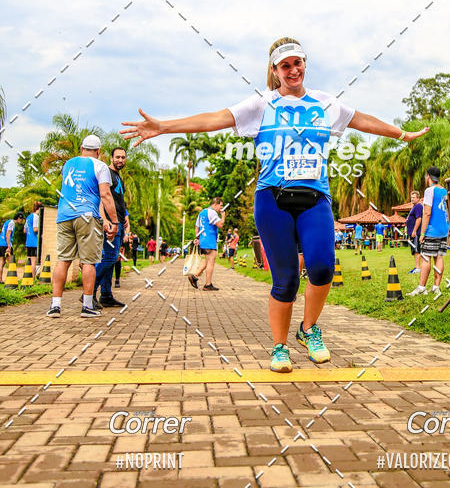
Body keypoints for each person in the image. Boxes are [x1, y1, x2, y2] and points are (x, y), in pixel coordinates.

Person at [121, 37, 428, 372]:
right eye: (285, 66)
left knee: (323, 267)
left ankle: (309, 329)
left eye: (297, 63)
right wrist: (163, 126)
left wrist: (401, 134)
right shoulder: (261, 104)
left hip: (316, 199)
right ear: (275, 70)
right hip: (272, 199)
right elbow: (213, 119)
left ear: (304, 64)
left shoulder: (326, 104)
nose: (293, 70)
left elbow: (362, 120)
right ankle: (279, 347)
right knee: (286, 279)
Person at [46, 134, 117, 318]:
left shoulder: (68, 164)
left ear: (81, 149)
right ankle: (87, 306)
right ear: (99, 152)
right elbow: (106, 195)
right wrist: (114, 221)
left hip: (64, 215)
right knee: (88, 262)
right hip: (87, 217)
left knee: (63, 259)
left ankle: (55, 306)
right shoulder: (100, 166)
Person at [93, 146, 128, 309]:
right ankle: (89, 292)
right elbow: (102, 198)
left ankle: (106, 296)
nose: (120, 160)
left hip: (119, 222)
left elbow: (119, 200)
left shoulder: (118, 177)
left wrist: (126, 217)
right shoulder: (106, 174)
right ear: (111, 158)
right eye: (117, 157)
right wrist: (105, 219)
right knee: (110, 257)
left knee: (111, 258)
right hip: (111, 224)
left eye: (123, 157)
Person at [410, 167, 449, 297]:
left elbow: (426, 213)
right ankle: (436, 287)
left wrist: (422, 233)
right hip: (443, 229)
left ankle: (421, 287)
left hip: (432, 230)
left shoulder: (429, 190)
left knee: (425, 257)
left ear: (428, 177)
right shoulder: (444, 190)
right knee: (439, 256)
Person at [188, 197, 226, 290]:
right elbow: (220, 225)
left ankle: (195, 275)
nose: (221, 208)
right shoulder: (212, 213)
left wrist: (197, 237)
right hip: (209, 239)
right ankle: (208, 284)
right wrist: (223, 216)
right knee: (211, 262)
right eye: (220, 206)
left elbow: (197, 226)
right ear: (215, 204)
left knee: (207, 260)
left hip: (203, 239)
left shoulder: (202, 212)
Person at [0, 212, 25, 283]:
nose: (22, 221)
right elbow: (8, 235)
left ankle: (0, 279)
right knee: (11, 261)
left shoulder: (8, 221)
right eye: (21, 219)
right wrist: (9, 246)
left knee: (2, 262)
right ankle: (11, 279)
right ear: (18, 218)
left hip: (1, 243)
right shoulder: (12, 223)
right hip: (5, 245)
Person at [406, 190, 423, 275]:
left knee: (417, 250)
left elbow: (419, 218)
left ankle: (418, 268)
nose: (412, 199)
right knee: (414, 250)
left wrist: (414, 231)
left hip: (416, 232)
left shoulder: (418, 206)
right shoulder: (414, 206)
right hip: (412, 232)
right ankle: (417, 266)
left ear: (418, 198)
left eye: (413, 197)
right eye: (411, 197)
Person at [24, 202, 41, 279]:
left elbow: (24, 230)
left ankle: (26, 277)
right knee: (33, 261)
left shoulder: (28, 217)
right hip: (34, 242)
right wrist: (42, 228)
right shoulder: (36, 216)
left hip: (28, 241)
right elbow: (35, 229)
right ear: (40, 208)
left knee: (28, 261)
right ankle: (32, 278)